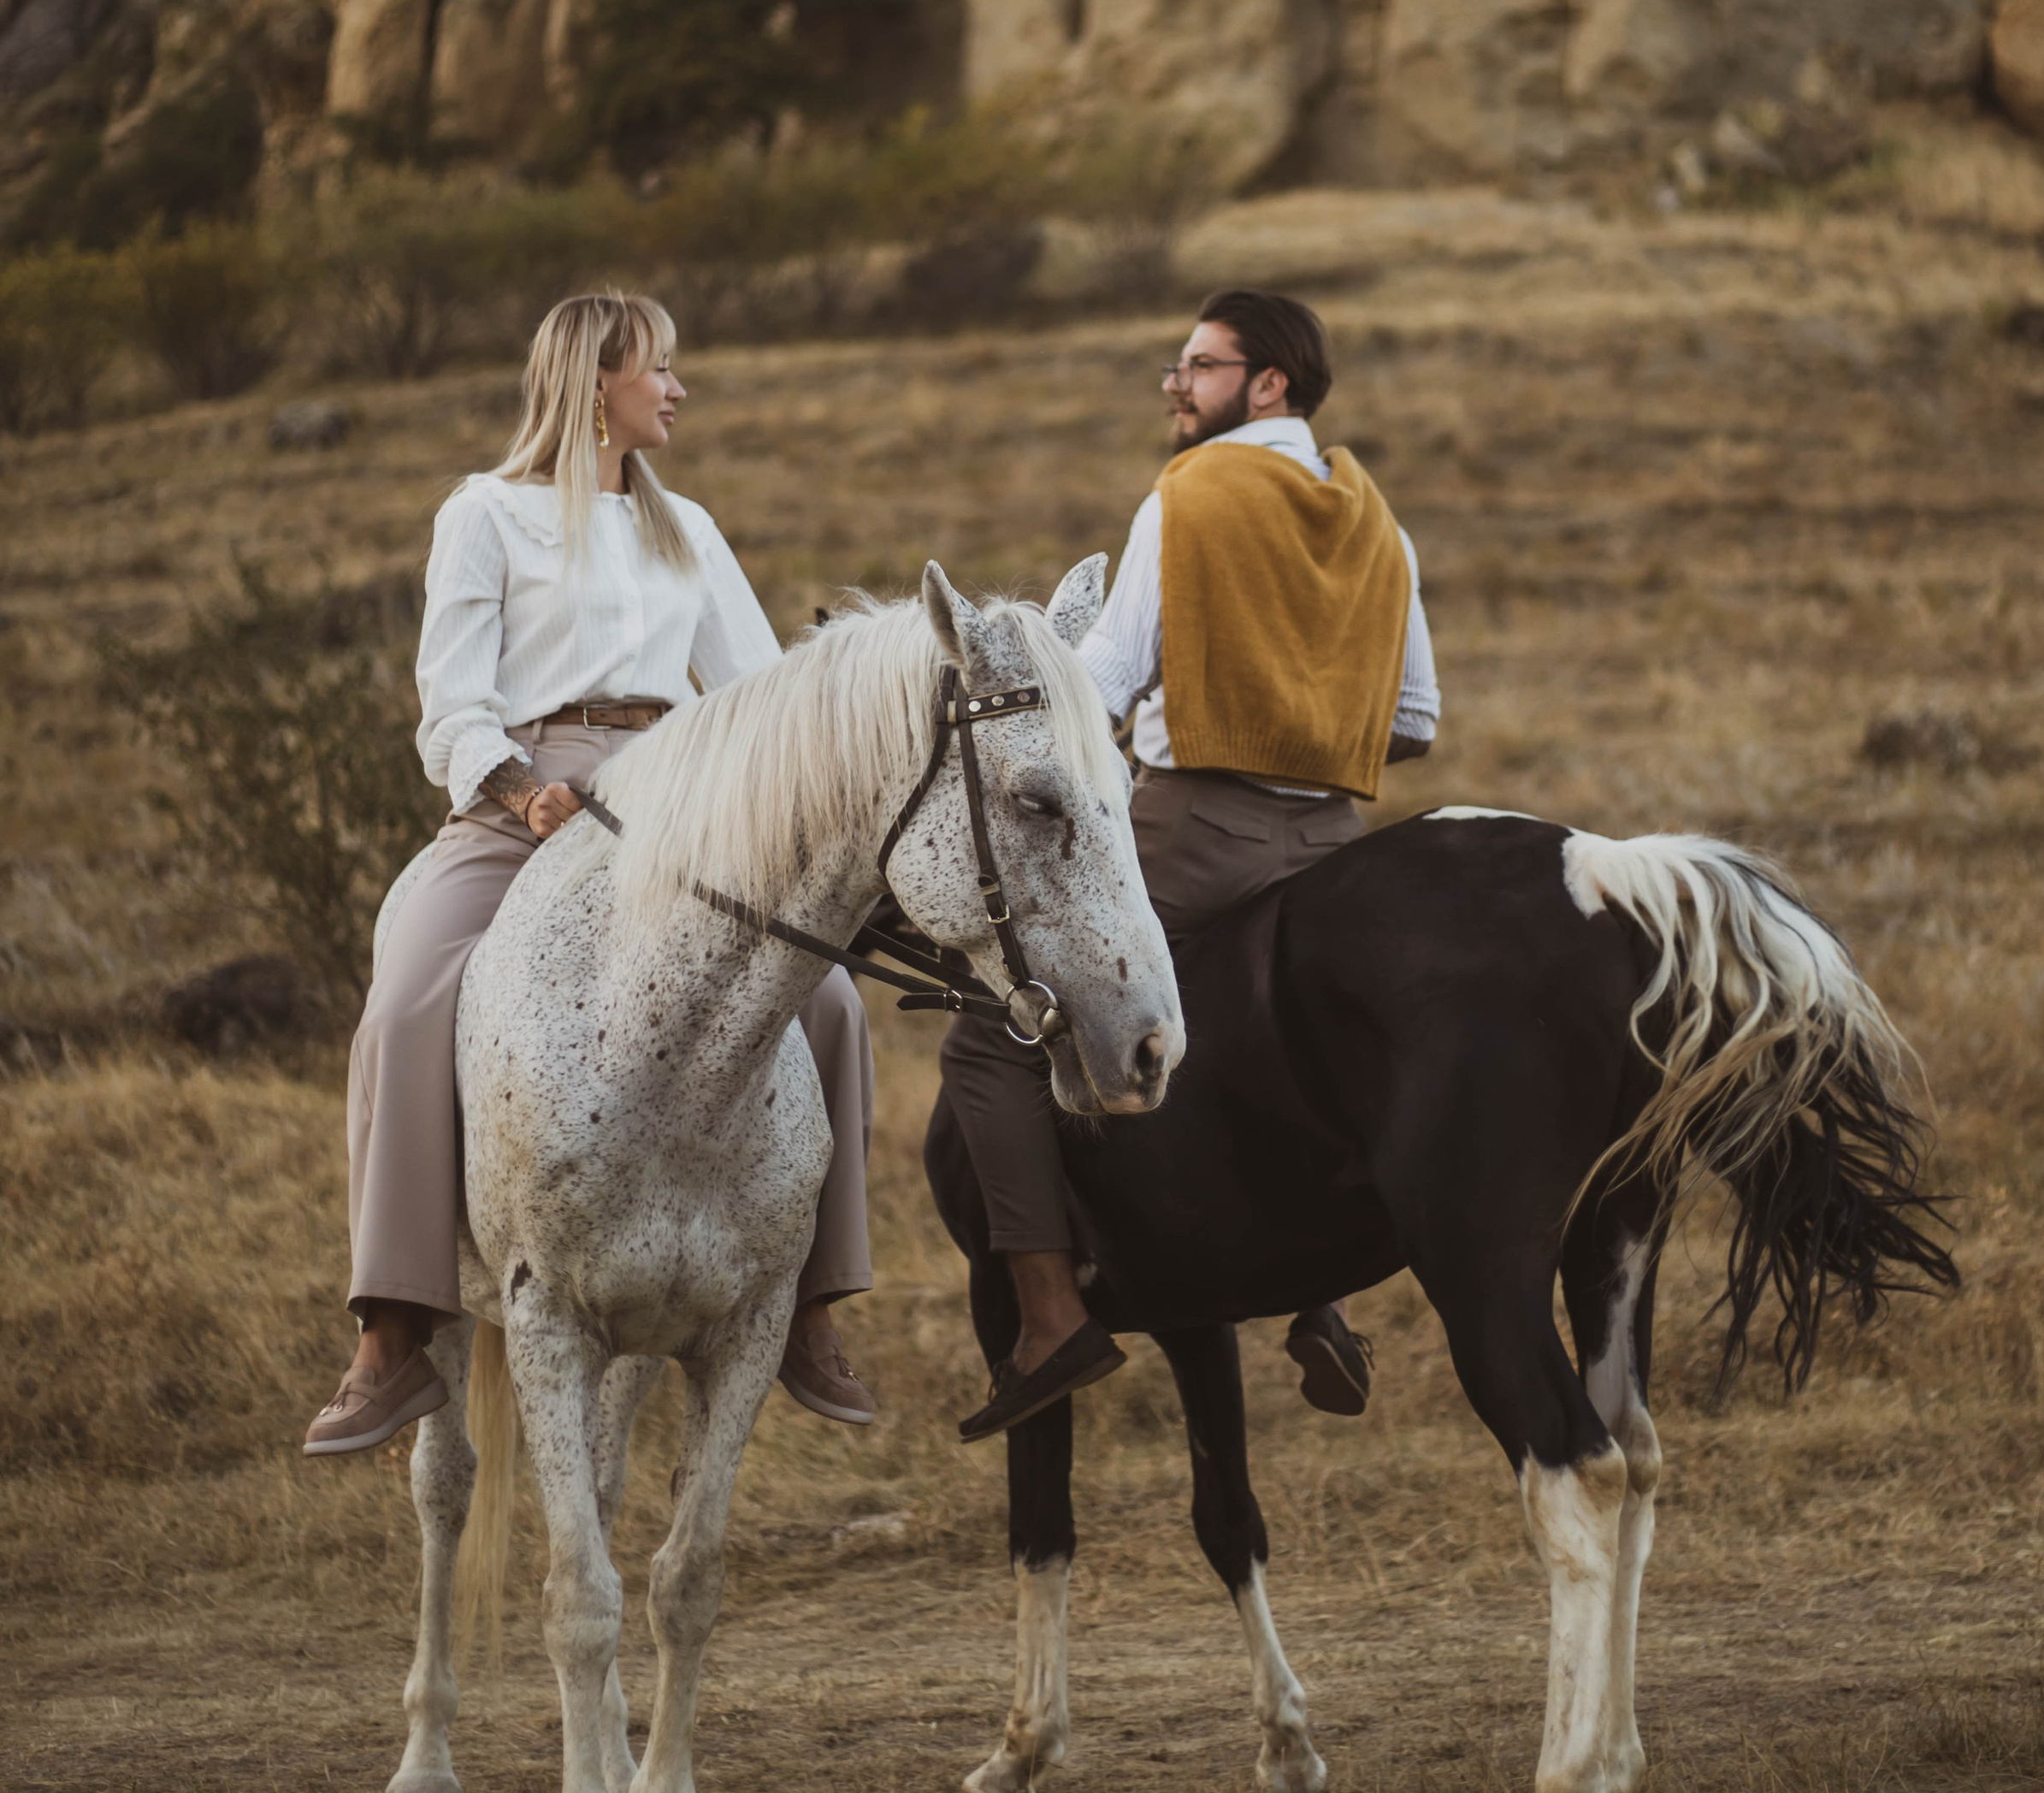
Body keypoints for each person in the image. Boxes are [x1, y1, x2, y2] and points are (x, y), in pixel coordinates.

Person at [303, 290, 877, 1456]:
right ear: (595, 384)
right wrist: (524, 790)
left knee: (831, 999)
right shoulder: (486, 516)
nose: (677, 390)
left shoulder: (689, 529)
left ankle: (814, 1304)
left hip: (682, 796)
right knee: (408, 999)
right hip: (529, 793)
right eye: (657, 369)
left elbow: (756, 693)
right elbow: (451, 704)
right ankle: (393, 1332)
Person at [941, 287, 1439, 1441]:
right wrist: (1310, 713)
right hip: (1332, 843)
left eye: (1202, 366)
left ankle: (1052, 1311)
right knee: (1279, 1039)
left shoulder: (1191, 496)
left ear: (1269, 384)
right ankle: (1320, 1302)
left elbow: (1104, 684)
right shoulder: (1378, 520)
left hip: (1193, 831)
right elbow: (1414, 720)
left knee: (993, 1034)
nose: (1178, 383)